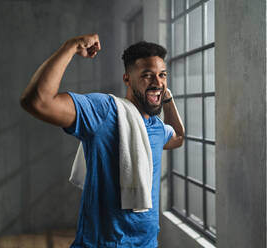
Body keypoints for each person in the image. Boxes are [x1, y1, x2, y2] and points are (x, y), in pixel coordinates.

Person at [19, 33, 185, 248]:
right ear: (127, 78)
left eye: (162, 75)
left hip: (148, 243)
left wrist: (166, 95)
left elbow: (179, 137)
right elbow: (37, 101)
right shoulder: (106, 111)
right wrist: (70, 47)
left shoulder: (157, 128)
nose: (157, 82)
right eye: (147, 75)